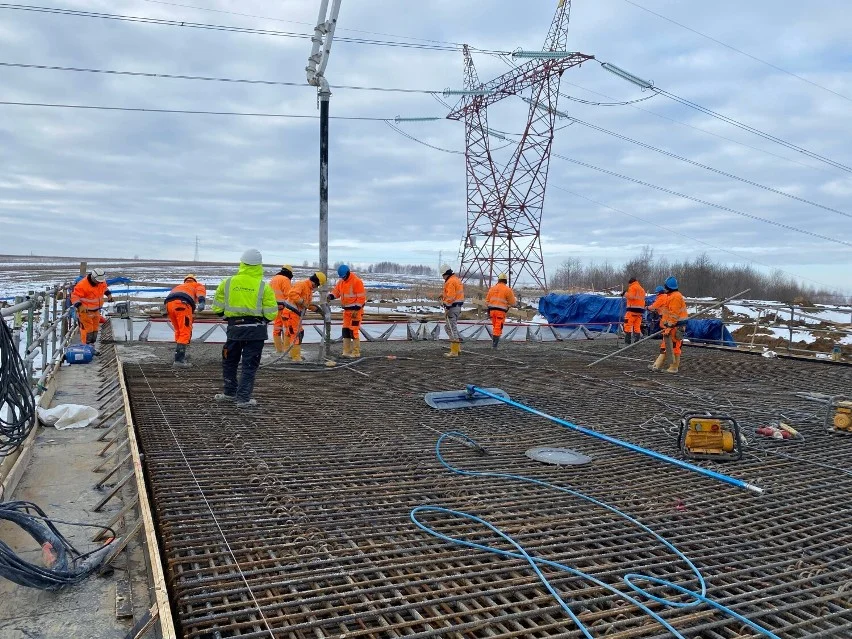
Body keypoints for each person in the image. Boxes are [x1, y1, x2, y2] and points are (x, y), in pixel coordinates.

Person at [211, 249, 278, 408]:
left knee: (230, 362)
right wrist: (261, 319)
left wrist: (227, 315)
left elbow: (217, 307)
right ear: (259, 266)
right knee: (249, 366)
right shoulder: (263, 287)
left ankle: (229, 392)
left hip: (234, 329)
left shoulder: (227, 283)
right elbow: (271, 313)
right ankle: (243, 398)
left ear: (242, 263)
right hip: (255, 332)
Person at [282, 271, 327, 363]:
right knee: (296, 334)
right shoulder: (302, 284)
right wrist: (302, 302)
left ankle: (288, 353)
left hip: (293, 315)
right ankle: (295, 357)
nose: (316, 287)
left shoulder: (308, 289)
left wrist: (315, 309)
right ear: (316, 282)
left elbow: (306, 304)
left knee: (290, 333)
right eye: (317, 285)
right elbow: (292, 294)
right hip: (291, 314)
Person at [163, 275, 206, 368]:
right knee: (185, 332)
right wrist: (202, 302)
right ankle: (179, 361)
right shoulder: (197, 285)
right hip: (182, 305)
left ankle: (179, 355)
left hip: (169, 306)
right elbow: (200, 293)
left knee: (178, 330)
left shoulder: (179, 286)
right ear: (194, 280)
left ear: (186, 281)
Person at [70, 268, 113, 353]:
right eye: (98, 281)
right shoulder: (82, 285)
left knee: (94, 329)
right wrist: (79, 305)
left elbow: (104, 288)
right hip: (85, 311)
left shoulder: (101, 281)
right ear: (93, 278)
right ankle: (85, 348)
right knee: (87, 330)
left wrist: (109, 295)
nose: (100, 283)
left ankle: (91, 347)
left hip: (96, 310)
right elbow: (74, 296)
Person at [328, 264, 366, 358]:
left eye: (344, 276)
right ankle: (346, 351)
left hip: (356, 312)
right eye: (342, 277)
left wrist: (356, 309)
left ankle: (356, 352)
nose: (343, 278)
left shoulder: (357, 281)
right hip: (347, 312)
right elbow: (336, 292)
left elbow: (361, 298)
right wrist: (331, 296)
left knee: (353, 331)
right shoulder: (341, 282)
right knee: (345, 330)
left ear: (348, 273)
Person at [659, 276, 687, 374]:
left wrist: (669, 326)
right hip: (672, 325)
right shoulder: (671, 296)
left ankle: (673, 368)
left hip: (676, 326)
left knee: (674, 347)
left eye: (665, 286)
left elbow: (674, 315)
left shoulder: (675, 297)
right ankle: (658, 365)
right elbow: (668, 312)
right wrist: (665, 324)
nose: (664, 288)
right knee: (667, 345)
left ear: (668, 287)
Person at [485, 273, 516, 349]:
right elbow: (513, 302)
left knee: (495, 326)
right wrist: (508, 305)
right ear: (505, 280)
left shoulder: (492, 288)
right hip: (500, 312)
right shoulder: (507, 290)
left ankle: (494, 343)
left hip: (491, 311)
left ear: (498, 280)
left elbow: (487, 301)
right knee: (498, 328)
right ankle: (494, 345)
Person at [441, 265, 464, 358]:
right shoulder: (456, 279)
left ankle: (454, 351)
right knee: (450, 328)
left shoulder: (450, 282)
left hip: (452, 307)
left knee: (450, 328)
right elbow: (453, 294)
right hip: (457, 307)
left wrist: (447, 307)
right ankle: (457, 349)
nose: (443, 277)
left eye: (443, 275)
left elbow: (451, 296)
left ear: (446, 274)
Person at [270, 265, 293, 353]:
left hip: (275, 307)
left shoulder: (274, 279)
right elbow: (289, 295)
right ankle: (286, 350)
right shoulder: (285, 280)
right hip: (284, 308)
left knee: (277, 327)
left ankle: (279, 350)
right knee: (287, 328)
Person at [622, 277, 646, 345]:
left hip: (632, 310)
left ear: (630, 283)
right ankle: (636, 342)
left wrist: (624, 294)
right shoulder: (642, 289)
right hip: (640, 311)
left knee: (628, 325)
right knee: (637, 327)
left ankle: (627, 342)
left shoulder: (632, 287)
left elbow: (631, 296)